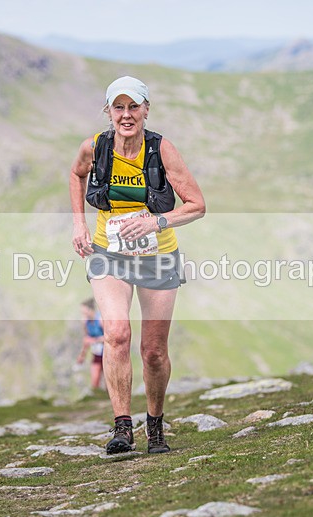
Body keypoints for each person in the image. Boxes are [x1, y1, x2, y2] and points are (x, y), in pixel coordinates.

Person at [69, 75, 205, 454]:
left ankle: (156, 427)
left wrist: (155, 220)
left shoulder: (162, 150)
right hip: (107, 254)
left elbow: (197, 205)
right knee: (115, 334)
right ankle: (122, 427)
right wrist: (80, 224)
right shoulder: (95, 147)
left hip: (158, 257)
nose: (126, 115)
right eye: (119, 107)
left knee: (153, 351)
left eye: (133, 107)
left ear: (146, 109)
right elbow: (77, 175)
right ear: (108, 111)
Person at [76, 298, 105, 390]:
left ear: (89, 309)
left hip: (106, 354)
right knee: (94, 381)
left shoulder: (100, 320)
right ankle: (96, 400)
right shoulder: (86, 323)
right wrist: (82, 355)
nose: (82, 314)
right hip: (96, 355)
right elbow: (86, 339)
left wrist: (95, 340)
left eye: (83, 311)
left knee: (109, 382)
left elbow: (110, 337)